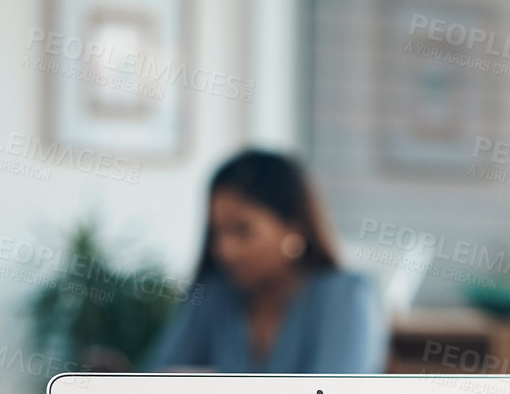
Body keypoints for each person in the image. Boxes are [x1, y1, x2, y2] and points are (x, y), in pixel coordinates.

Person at [147, 149, 387, 373]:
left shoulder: (345, 296)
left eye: (243, 231)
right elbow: (158, 381)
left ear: (294, 227)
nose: (225, 250)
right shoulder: (213, 293)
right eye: (217, 233)